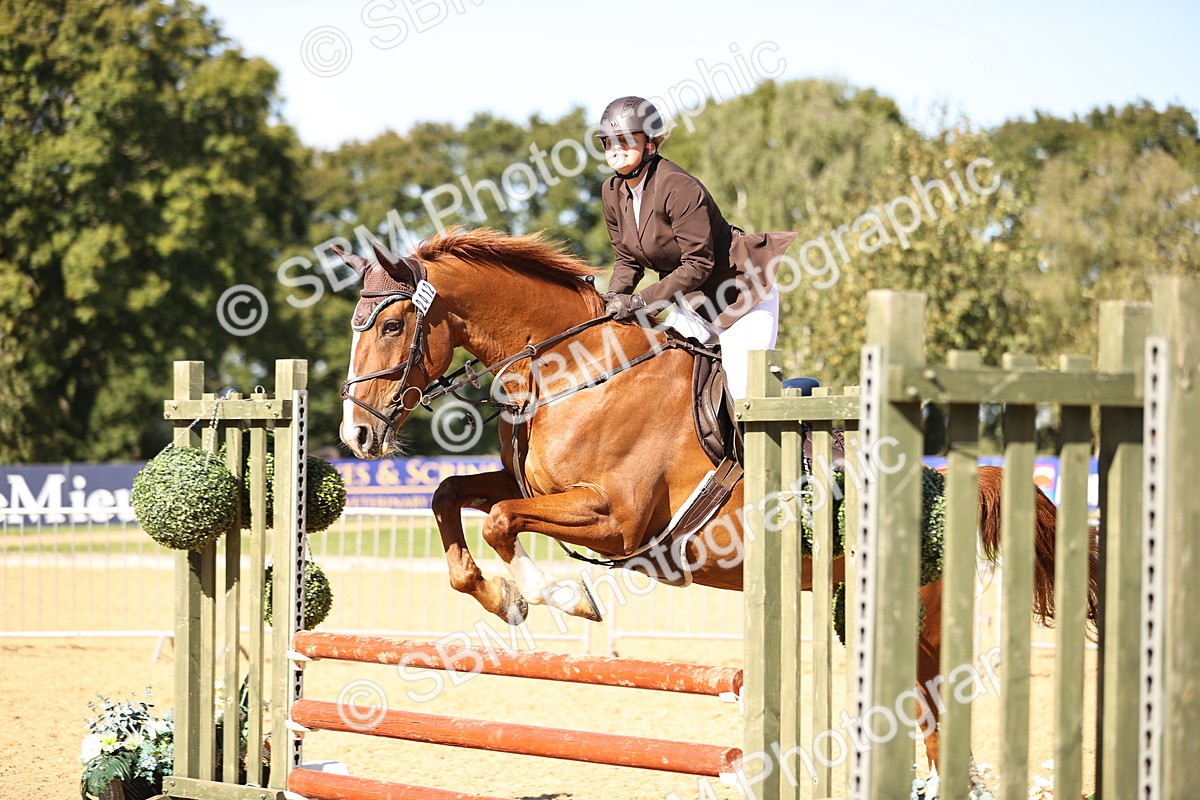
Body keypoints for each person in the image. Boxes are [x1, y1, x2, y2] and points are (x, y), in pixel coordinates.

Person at [597, 95, 798, 400]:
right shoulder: (612, 192)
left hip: (741, 297)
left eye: (626, 140)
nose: (616, 148)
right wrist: (611, 300)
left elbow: (698, 264)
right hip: (694, 304)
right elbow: (627, 259)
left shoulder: (677, 186)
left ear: (649, 144)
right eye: (609, 142)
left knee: (740, 394)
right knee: (658, 378)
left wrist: (639, 302)